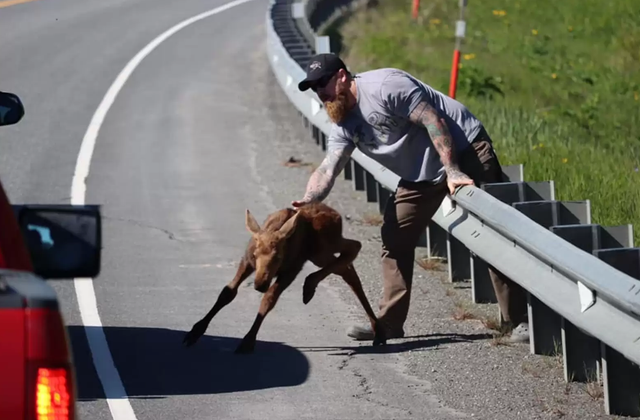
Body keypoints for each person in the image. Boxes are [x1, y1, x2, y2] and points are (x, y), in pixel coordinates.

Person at [292, 53, 529, 344]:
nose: (320, 92)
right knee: (395, 237)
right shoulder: (343, 124)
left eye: (322, 84)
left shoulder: (385, 87)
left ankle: (519, 321)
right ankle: (389, 324)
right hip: (422, 174)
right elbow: (328, 169)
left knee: (492, 234)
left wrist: (453, 170)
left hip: (465, 151)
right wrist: (307, 202)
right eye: (314, 88)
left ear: (341, 76)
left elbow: (433, 120)